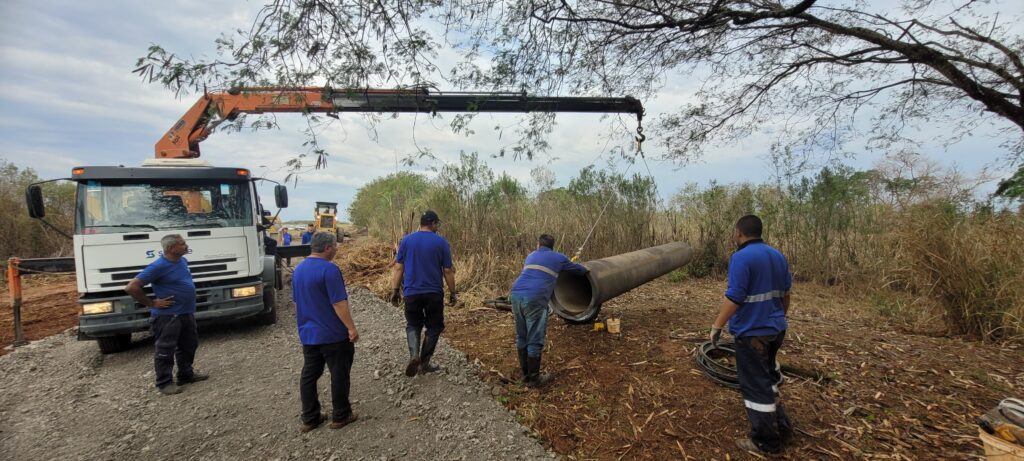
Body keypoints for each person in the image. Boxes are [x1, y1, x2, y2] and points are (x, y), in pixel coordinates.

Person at [709, 215, 793, 455]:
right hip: (776, 329)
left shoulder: (741, 257)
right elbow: (786, 294)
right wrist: (779, 318)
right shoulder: (778, 255)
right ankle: (783, 426)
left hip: (753, 333)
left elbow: (735, 296)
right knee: (766, 378)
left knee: (755, 387)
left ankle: (766, 442)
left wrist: (717, 326)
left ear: (739, 233)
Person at [292, 232, 359, 432]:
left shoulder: (298, 270)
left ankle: (310, 417)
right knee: (339, 374)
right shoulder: (330, 270)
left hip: (309, 334)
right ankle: (341, 415)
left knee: (309, 375)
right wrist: (351, 328)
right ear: (327, 248)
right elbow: (339, 303)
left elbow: (297, 303)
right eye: (335, 247)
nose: (337, 250)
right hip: (333, 335)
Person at [125, 234, 208, 396]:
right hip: (168, 316)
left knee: (189, 345)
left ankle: (185, 374)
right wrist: (153, 303)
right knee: (165, 348)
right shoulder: (158, 266)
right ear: (171, 248)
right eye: (182, 244)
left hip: (186, 313)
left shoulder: (182, 261)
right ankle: (164, 382)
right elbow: (131, 287)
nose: (186, 245)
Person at [509, 234, 588, 387]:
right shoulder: (558, 257)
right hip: (535, 299)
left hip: (516, 294)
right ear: (553, 246)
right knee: (534, 339)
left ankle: (525, 375)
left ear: (538, 244)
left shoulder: (531, 256)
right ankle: (534, 380)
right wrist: (583, 268)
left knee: (522, 335)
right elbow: (580, 270)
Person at [389, 210, 456, 377]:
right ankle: (424, 363)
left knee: (413, 324)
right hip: (433, 293)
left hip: (411, 292)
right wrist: (453, 292)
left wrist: (395, 290)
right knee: (434, 327)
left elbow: (398, 267)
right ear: (433, 223)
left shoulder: (406, 241)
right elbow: (448, 270)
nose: (437, 227)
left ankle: (414, 355)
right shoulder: (441, 243)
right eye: (437, 224)